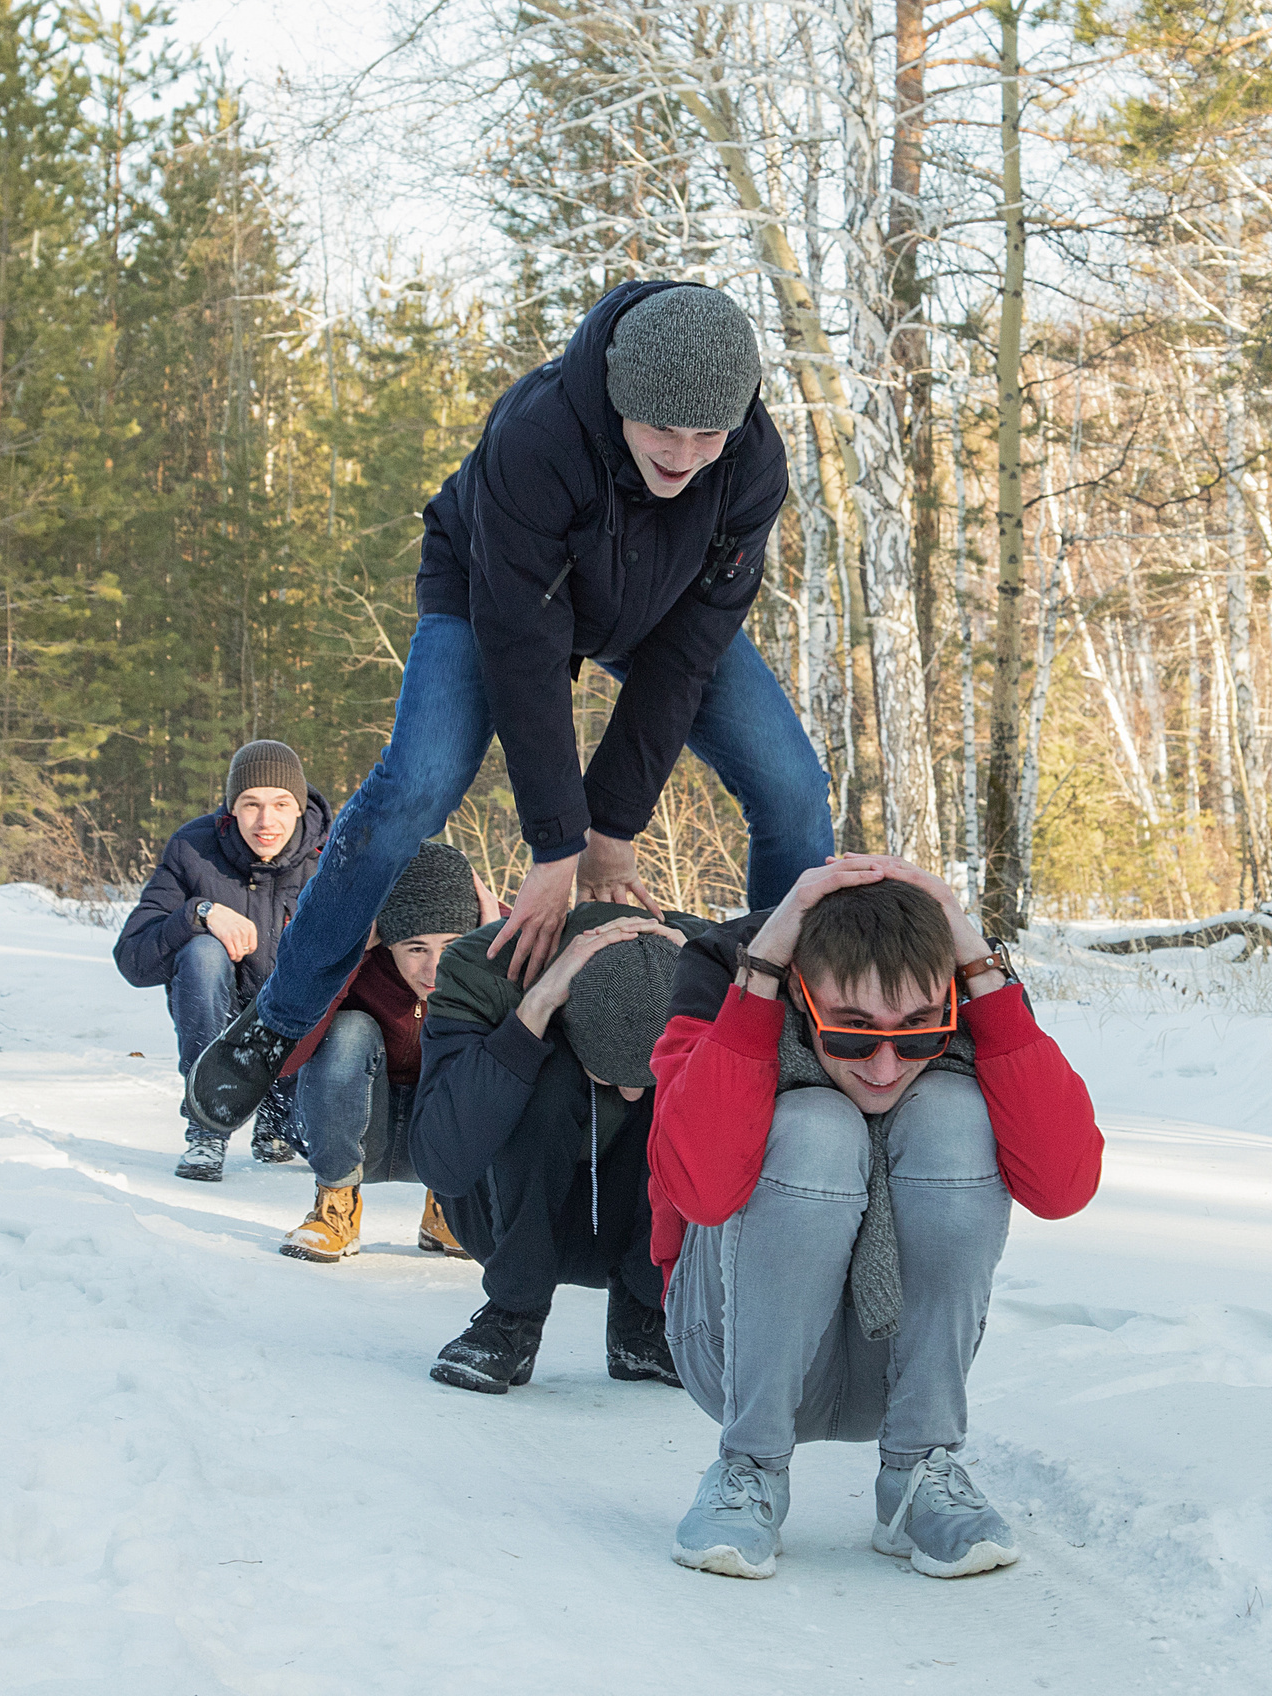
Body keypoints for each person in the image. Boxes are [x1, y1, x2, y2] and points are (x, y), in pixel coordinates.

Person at [181, 280, 834, 1142]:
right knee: (416, 782)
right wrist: (559, 842)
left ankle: (780, 1028)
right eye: (660, 431)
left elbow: (685, 656)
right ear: (616, 395)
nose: (682, 456)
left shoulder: (753, 464)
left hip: (662, 610)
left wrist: (614, 825)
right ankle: (279, 1015)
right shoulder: (538, 436)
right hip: (495, 592)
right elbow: (525, 652)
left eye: (705, 435)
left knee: (793, 788)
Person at [646, 858, 1105, 1581]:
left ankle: (921, 1471)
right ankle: (749, 1469)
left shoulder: (960, 985)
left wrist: (980, 964)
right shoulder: (730, 976)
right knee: (818, 1123)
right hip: (730, 1344)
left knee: (959, 1112)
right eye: (853, 1033)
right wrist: (758, 977)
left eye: (919, 1033)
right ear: (804, 989)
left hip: (899, 1368)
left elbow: (1062, 1184)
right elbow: (699, 1188)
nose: (887, 1067)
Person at [408, 905, 702, 1394]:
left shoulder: (706, 963)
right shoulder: (481, 969)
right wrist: (535, 1011)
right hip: (498, 1213)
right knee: (545, 1073)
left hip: (619, 1217)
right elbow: (442, 1163)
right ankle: (511, 1316)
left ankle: (645, 1311)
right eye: (614, 1077)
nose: (630, 1093)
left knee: (694, 1076)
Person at [269, 842, 499, 1262]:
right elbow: (285, 1060)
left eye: (452, 947)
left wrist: (499, 958)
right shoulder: (342, 944)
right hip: (354, 1128)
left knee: (485, 1042)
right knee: (349, 1030)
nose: (435, 970)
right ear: (386, 939)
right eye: (416, 948)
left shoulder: (500, 934)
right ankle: (334, 1209)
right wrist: (349, 954)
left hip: (438, 1143)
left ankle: (449, 1209)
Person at [113, 740, 330, 1183]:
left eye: (280, 804)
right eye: (251, 804)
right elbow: (133, 960)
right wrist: (201, 912)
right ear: (231, 809)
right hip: (223, 1016)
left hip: (301, 1025)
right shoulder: (193, 849)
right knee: (201, 952)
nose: (266, 821)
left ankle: (282, 1110)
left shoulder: (334, 855)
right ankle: (207, 1125)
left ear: (300, 806)